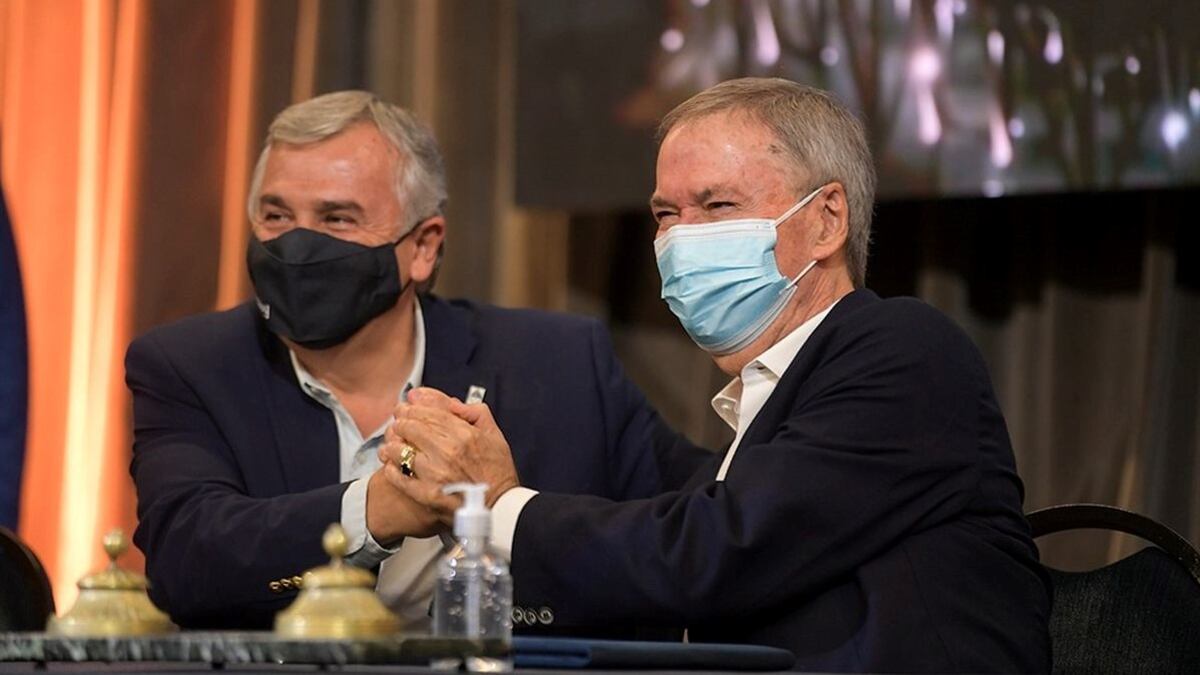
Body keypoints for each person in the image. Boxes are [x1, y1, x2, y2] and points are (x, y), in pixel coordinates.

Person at [384, 78, 1052, 672]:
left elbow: (710, 552)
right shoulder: (750, 429)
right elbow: (665, 544)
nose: (680, 239)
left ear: (826, 220)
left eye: (718, 206)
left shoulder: (905, 350)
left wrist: (495, 504)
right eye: (666, 214)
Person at [126, 90, 706, 631]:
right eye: (276, 216)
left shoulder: (556, 361)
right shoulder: (190, 365)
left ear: (423, 247)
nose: (296, 246)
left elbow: (700, 524)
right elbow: (184, 560)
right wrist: (373, 511)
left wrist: (504, 511)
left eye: (337, 219)